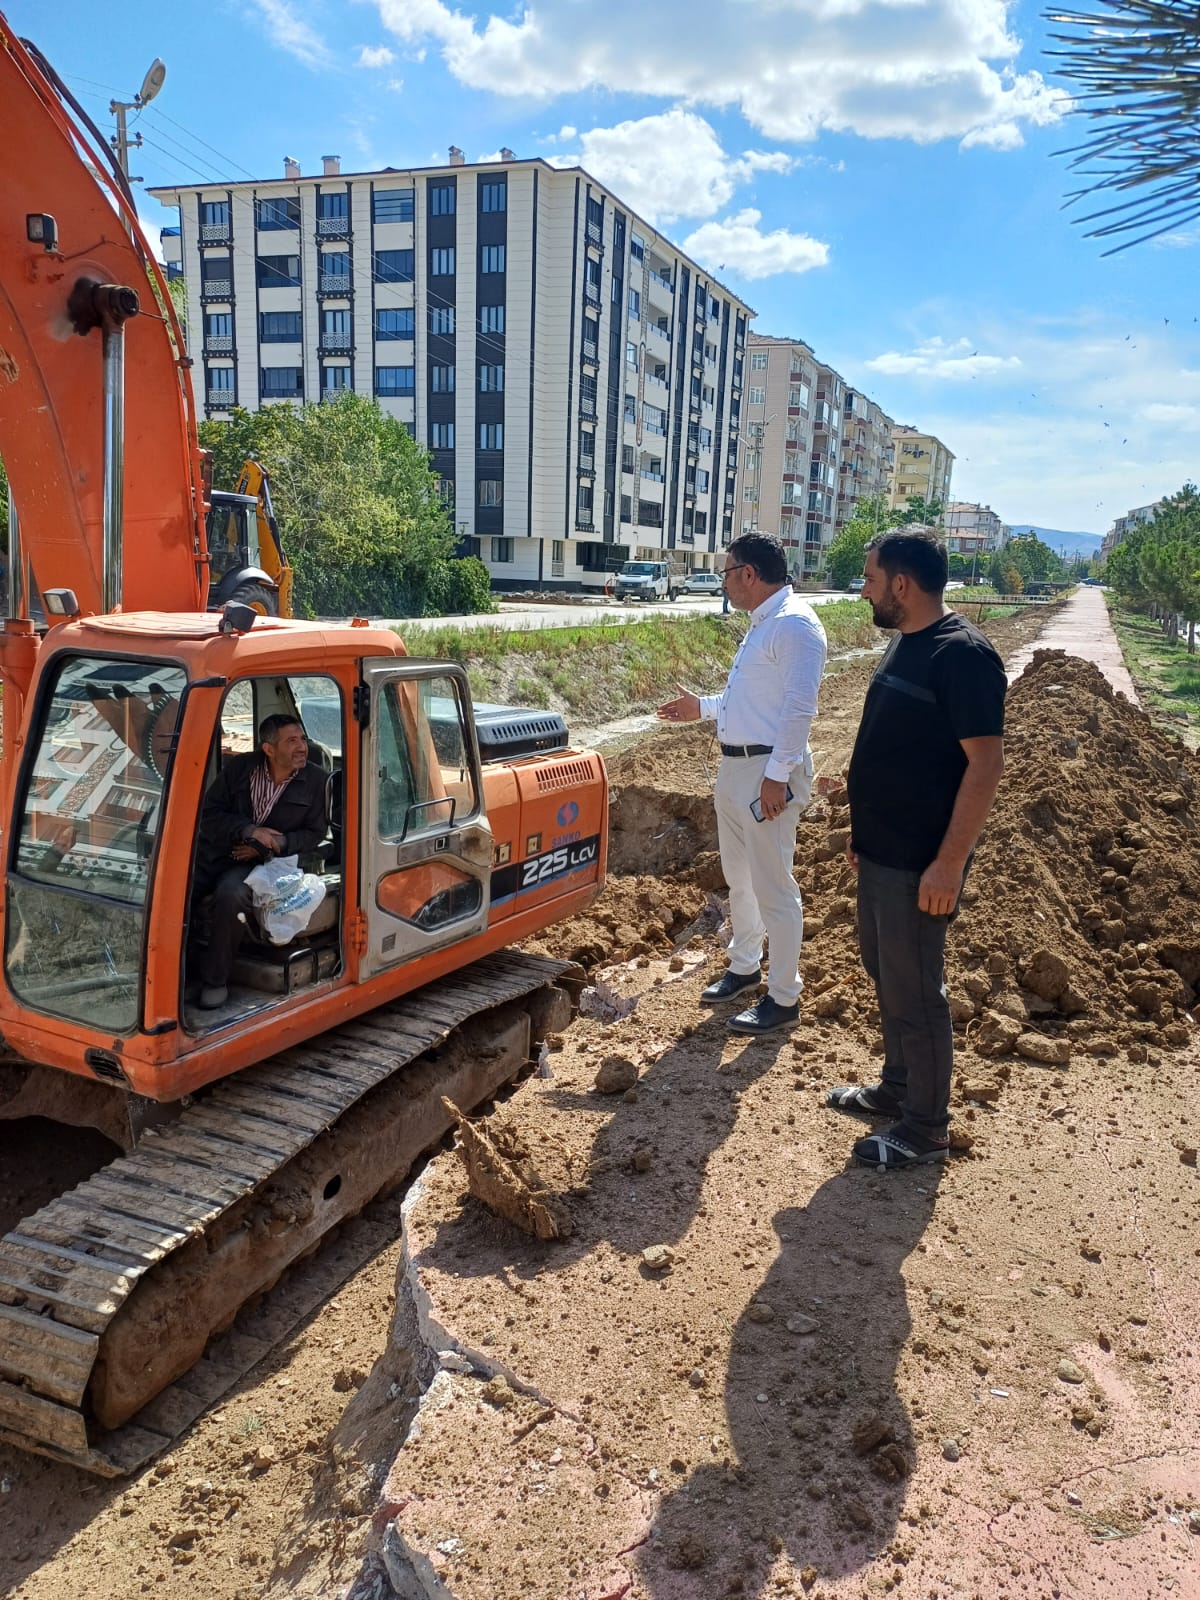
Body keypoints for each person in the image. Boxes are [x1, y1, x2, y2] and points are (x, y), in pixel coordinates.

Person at [830, 528, 1006, 1169]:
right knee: (886, 972)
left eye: (870, 579)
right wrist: (864, 833)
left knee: (917, 990)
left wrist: (949, 864)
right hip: (883, 850)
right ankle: (899, 1086)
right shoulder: (907, 641)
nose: (864, 591)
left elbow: (985, 765)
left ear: (901, 584)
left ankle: (927, 1127)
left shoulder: (962, 656)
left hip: (920, 863)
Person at [658, 533, 827, 1035]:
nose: (724, 583)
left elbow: (799, 709)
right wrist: (704, 708)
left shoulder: (794, 625)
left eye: (727, 572)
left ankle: (784, 996)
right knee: (740, 877)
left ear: (748, 574)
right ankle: (745, 966)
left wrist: (776, 778)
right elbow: (751, 703)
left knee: (774, 885)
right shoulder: (764, 623)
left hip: (765, 772)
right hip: (737, 769)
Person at [191, 713, 328, 1008]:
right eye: (291, 741)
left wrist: (273, 845)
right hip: (219, 851)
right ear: (269, 749)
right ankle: (179, 968)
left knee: (231, 895)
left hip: (266, 864)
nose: (301, 747)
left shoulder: (316, 780)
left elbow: (314, 834)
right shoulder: (240, 769)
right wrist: (249, 831)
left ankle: (215, 980)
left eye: (303, 739)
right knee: (178, 890)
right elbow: (210, 813)